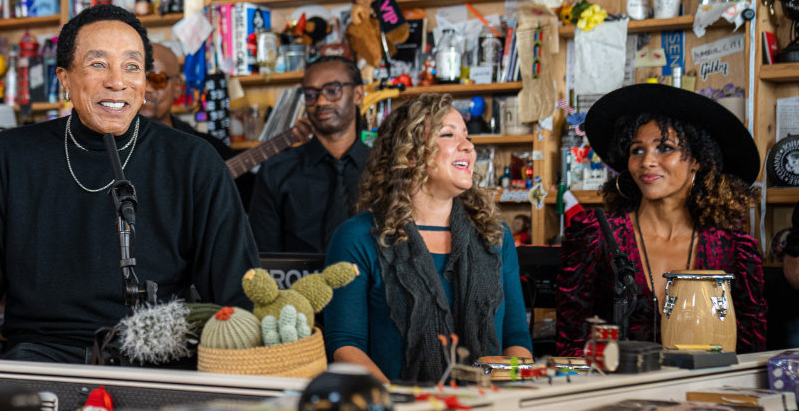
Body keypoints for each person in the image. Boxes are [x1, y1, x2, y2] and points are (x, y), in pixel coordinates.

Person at [0, 5, 257, 362]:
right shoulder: (9, 157)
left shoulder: (193, 160)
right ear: (64, 79)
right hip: (41, 357)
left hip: (159, 360)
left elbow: (236, 288)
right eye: (98, 64)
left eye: (132, 66)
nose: (117, 81)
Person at [324, 94, 533, 383]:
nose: (469, 147)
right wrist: (403, 406)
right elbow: (346, 346)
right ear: (410, 154)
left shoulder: (494, 234)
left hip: (487, 408)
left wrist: (507, 377)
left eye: (467, 137)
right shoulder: (357, 237)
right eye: (448, 134)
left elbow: (516, 336)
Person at [556, 84, 766, 355]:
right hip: (612, 391)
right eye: (637, 150)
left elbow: (751, 351)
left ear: (698, 161)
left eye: (665, 148)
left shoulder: (734, 248)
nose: (647, 162)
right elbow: (571, 343)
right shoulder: (596, 234)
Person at [249, 55, 367, 253]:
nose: (321, 101)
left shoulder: (386, 168)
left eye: (332, 91)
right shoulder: (276, 172)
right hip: (295, 283)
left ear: (358, 94)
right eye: (311, 94)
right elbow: (263, 259)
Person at [139, 42, 260, 206]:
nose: (147, 89)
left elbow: (245, 201)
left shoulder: (210, 149)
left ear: (177, 87)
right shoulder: (107, 146)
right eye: (138, 78)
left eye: (157, 79)